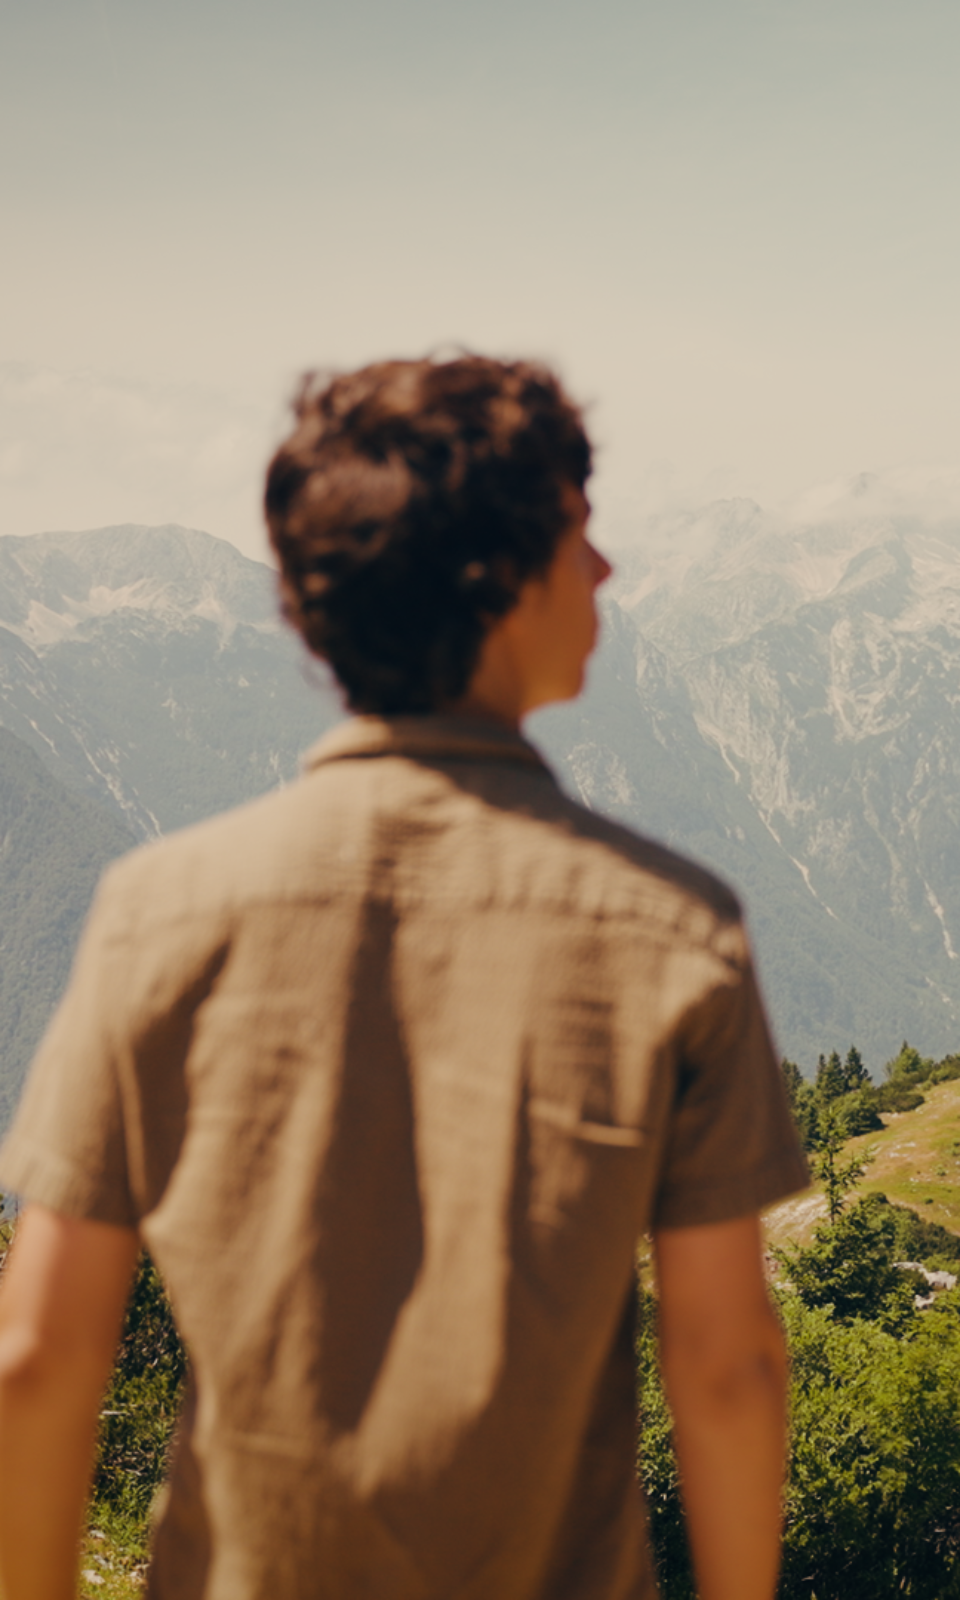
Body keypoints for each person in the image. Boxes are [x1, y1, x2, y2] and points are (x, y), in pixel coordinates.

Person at [0, 355, 809, 1600]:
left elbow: (41, 1356)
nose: (606, 572)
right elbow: (725, 1361)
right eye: (580, 536)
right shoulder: (670, 935)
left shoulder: (155, 919)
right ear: (498, 581)